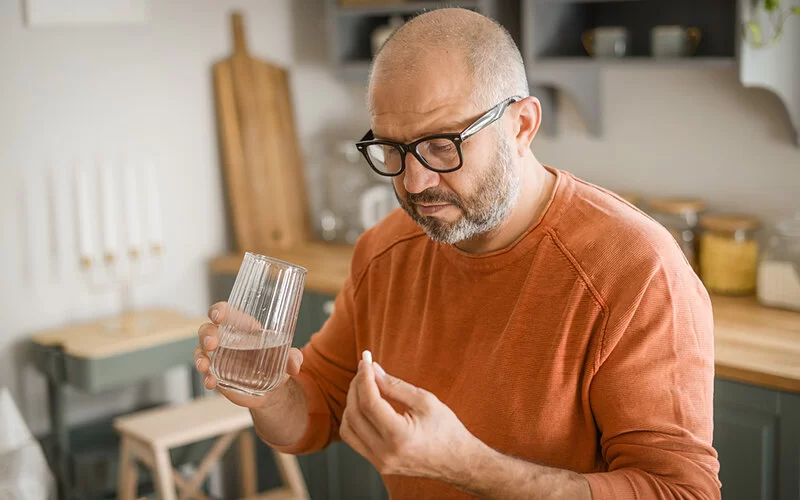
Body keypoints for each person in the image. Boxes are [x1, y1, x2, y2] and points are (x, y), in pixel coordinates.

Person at [194, 7, 721, 499]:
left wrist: (466, 464)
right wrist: (270, 396)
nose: (415, 180)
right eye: (391, 149)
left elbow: (682, 491)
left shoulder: (636, 268)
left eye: (443, 144)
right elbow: (322, 406)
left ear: (522, 125)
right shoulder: (385, 250)